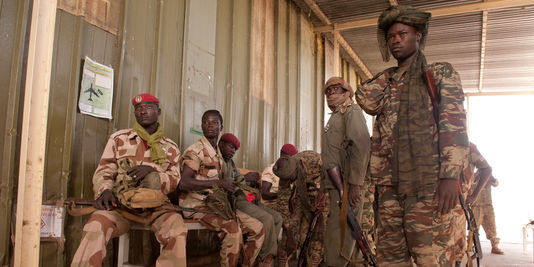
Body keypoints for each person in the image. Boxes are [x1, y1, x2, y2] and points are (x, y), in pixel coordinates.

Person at [356, 5, 469, 266]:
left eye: (402, 34)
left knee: (431, 256)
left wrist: (451, 175)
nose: (395, 40)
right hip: (389, 185)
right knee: (390, 257)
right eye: (391, 37)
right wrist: (394, 73)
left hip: (428, 184)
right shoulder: (389, 81)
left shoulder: (439, 73)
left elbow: (454, 125)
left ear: (418, 36)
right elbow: (366, 99)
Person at [71, 93, 187, 267]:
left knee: (176, 228)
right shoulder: (119, 139)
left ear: (158, 111)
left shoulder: (170, 147)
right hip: (121, 206)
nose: (143, 111)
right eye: (138, 109)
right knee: (96, 224)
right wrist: (105, 190)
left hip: (155, 208)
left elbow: (174, 180)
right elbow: (105, 169)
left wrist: (152, 172)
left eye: (148, 107)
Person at [178, 110, 264, 267]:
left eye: (214, 122)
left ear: (221, 127)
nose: (210, 125)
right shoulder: (195, 150)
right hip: (197, 205)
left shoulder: (218, 153)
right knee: (233, 231)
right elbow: (184, 183)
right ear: (202, 125)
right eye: (206, 122)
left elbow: (230, 179)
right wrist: (219, 183)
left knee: (258, 228)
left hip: (217, 205)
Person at [321, 76, 371, 266]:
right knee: (346, 238)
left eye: (336, 88)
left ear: (345, 91)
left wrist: (356, 184)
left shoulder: (351, 111)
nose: (332, 92)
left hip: (348, 186)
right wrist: (322, 190)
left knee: (339, 239)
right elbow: (329, 157)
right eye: (328, 90)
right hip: (335, 186)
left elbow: (361, 144)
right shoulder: (335, 116)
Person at [218, 133, 283, 266]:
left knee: (277, 218)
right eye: (231, 147)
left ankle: (265, 254)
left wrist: (249, 181)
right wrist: (245, 178)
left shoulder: (230, 162)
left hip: (244, 197)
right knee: (267, 219)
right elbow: (221, 183)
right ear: (221, 144)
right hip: (233, 201)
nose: (233, 151)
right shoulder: (215, 159)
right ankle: (264, 258)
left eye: (235, 149)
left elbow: (238, 178)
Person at [273, 150, 327, 267]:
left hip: (324, 199)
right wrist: (290, 235)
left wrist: (323, 193)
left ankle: (315, 258)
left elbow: (331, 173)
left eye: (290, 179)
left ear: (296, 169)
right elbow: (282, 206)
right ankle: (284, 255)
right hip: (302, 198)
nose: (288, 182)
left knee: (320, 232)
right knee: (295, 228)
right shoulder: (285, 172)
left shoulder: (313, 159)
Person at [453, 142, 493, 265]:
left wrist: (474, 195)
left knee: (457, 247)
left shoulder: (466, 145)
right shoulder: (430, 142)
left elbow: (487, 169)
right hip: (435, 206)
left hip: (459, 207)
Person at [469, 175, 504, 255]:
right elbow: (469, 185)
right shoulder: (473, 175)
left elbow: (496, 184)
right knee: (473, 227)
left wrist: (491, 177)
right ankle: (469, 246)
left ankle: (494, 246)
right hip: (476, 205)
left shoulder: (488, 176)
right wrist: (477, 177)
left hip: (488, 205)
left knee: (492, 227)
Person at [260, 144, 298, 210]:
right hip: (271, 205)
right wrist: (285, 195)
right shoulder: (270, 170)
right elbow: (265, 194)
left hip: (286, 204)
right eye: (289, 158)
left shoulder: (292, 172)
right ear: (282, 156)